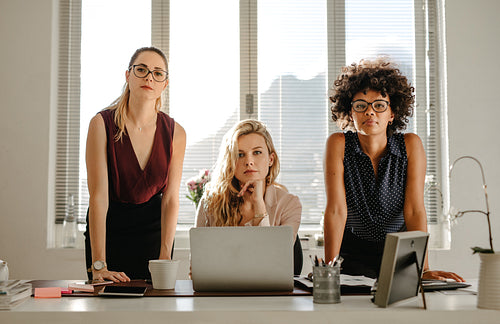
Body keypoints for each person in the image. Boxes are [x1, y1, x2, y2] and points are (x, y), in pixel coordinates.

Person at [323, 58, 463, 281]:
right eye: (361, 106)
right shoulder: (338, 144)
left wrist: (423, 270)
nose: (370, 112)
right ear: (351, 114)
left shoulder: (410, 145)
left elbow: (415, 211)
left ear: (392, 114)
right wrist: (329, 269)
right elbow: (336, 211)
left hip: (399, 251)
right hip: (352, 255)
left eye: (379, 105)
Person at [84, 47, 186, 282]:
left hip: (154, 231)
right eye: (141, 70)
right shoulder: (101, 124)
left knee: (155, 313)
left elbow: (170, 199)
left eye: (158, 73)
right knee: (108, 308)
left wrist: (165, 255)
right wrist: (99, 264)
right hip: (109, 231)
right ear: (128, 75)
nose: (149, 77)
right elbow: (98, 197)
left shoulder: (176, 133)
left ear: (165, 84)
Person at [195, 119, 301, 241]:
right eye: (240, 155)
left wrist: (259, 205)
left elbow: (275, 256)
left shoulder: (289, 204)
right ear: (230, 162)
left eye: (257, 152)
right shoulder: (210, 202)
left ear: (271, 159)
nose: (249, 161)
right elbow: (199, 258)